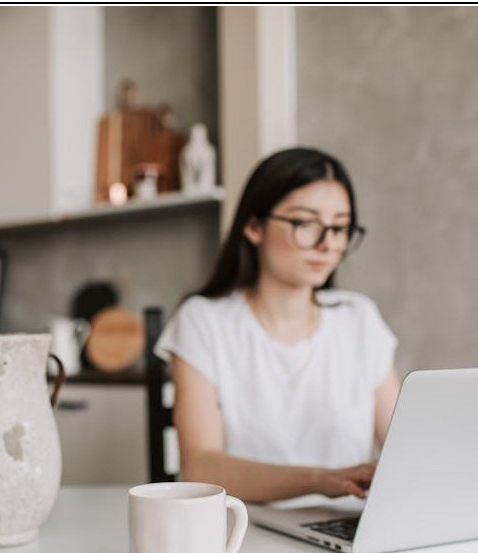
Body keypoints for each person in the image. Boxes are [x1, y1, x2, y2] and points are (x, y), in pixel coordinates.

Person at [154, 147, 401, 503]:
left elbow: (402, 448)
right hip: (244, 533)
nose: (328, 243)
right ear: (254, 227)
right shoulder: (203, 323)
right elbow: (201, 468)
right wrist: (320, 479)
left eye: (340, 227)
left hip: (345, 531)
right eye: (305, 223)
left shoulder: (359, 319)